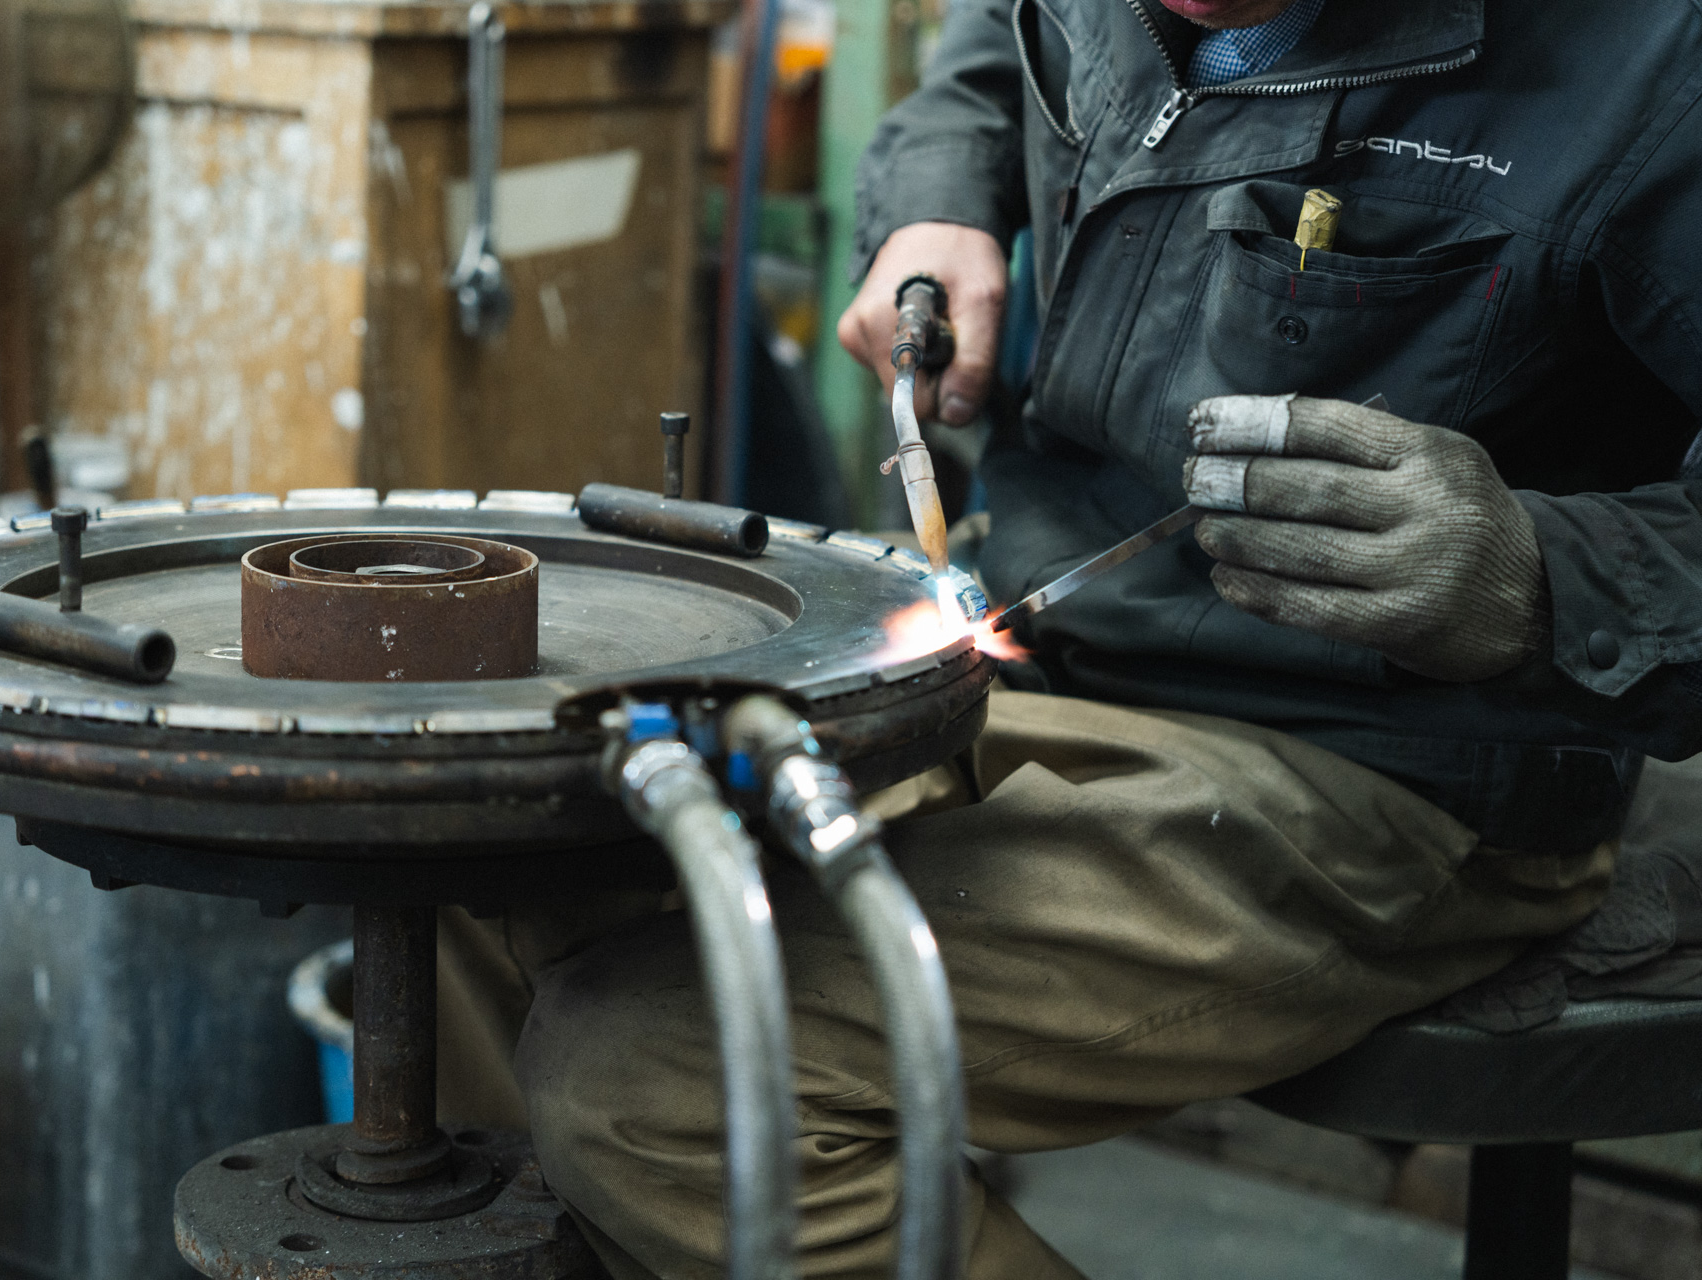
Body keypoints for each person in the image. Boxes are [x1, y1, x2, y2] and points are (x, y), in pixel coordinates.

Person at [461, 0, 1702, 1275]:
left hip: (1372, 764)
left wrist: (1540, 575)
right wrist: (938, 199)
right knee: (488, 845)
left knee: (658, 1082)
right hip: (1038, 648)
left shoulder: (1653, 60)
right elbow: (996, 57)